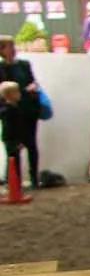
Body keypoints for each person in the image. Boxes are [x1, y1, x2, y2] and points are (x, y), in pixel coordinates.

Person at [0, 36, 42, 189]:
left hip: (28, 110)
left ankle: (34, 178)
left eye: (13, 46)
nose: (13, 49)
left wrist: (33, 87)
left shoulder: (25, 65)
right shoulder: (1, 68)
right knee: (12, 147)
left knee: (31, 144)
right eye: (9, 46)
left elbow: (32, 81)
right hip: (10, 112)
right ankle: (14, 180)